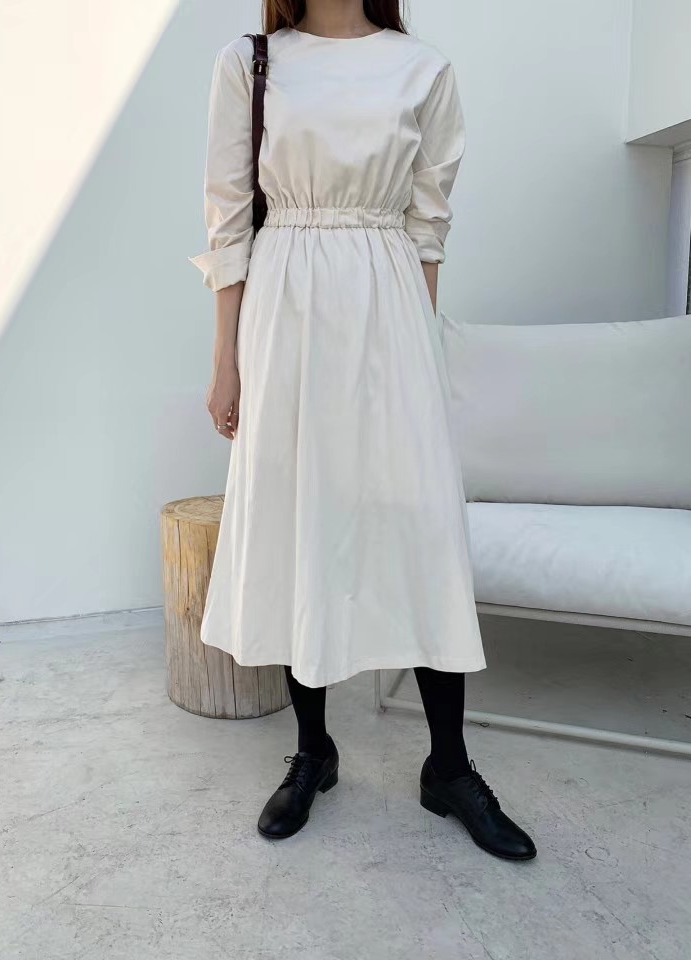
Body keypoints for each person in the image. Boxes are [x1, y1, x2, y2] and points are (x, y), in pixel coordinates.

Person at [189, 0, 536, 861]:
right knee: (301, 518)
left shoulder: (423, 69)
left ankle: (448, 767)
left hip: (390, 307)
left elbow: (428, 227)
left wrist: (420, 350)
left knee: (421, 526)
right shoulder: (252, 62)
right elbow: (229, 218)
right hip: (286, 310)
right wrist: (227, 360)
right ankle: (314, 750)